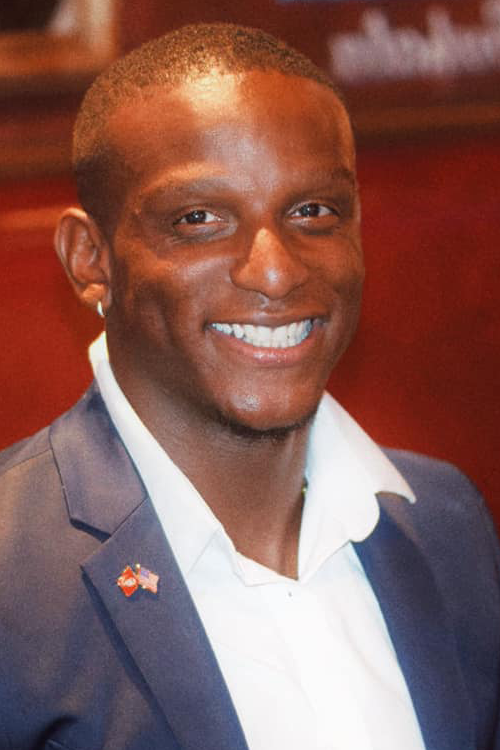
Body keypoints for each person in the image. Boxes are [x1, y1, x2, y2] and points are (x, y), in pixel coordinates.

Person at [0, 23, 499, 750]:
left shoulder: (447, 523)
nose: (275, 269)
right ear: (91, 260)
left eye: (312, 212)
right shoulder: (14, 569)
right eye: (199, 219)